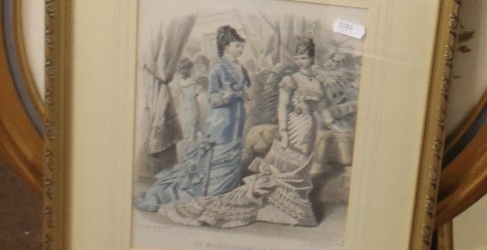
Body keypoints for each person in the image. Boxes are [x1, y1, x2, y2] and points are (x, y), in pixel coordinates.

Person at [160, 37, 341, 230]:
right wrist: (283, 131)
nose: (300, 61)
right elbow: (282, 106)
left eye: (304, 57)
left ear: (313, 59)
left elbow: (323, 108)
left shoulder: (318, 83)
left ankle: (290, 210)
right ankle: (277, 207)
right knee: (285, 166)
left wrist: (333, 125)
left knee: (301, 168)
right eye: (297, 57)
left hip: (309, 127)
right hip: (293, 125)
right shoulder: (290, 79)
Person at [135, 26, 252, 212]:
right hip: (221, 121)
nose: (241, 49)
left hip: (238, 118)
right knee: (215, 158)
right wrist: (225, 95)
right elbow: (213, 98)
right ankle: (211, 195)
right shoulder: (218, 69)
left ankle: (226, 193)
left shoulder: (242, 68)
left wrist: (245, 95)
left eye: (241, 46)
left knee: (234, 156)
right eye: (237, 46)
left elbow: (246, 90)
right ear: (227, 46)